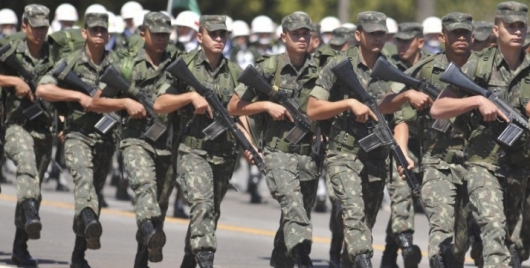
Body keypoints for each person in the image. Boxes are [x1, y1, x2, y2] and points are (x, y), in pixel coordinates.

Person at [431, 2, 530, 267]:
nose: (517, 31)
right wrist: (476, 101)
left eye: (522, 26)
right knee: (493, 227)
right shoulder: (478, 65)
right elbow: (438, 107)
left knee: (511, 238)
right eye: (511, 26)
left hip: (519, 168)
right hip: (482, 164)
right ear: (497, 30)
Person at [306, 10, 405, 267]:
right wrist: (348, 103)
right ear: (358, 34)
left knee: (365, 225)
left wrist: (405, 98)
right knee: (353, 213)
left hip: (375, 158)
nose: (377, 38)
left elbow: (399, 115)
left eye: (381, 33)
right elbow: (313, 108)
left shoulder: (388, 69)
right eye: (372, 33)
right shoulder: (339, 65)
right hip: (343, 155)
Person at [382, 12, 476, 267]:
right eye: (454, 33)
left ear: (472, 35)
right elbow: (389, 107)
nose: (460, 37)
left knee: (460, 242)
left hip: (476, 165)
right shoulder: (425, 71)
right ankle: (400, 247)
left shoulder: (484, 68)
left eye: (465, 32)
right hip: (436, 162)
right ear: (442, 37)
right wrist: (407, 95)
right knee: (441, 236)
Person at [228, 12, 319, 268]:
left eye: (305, 33)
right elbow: (234, 106)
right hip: (278, 154)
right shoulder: (268, 68)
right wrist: (267, 105)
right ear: (283, 36)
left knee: (296, 213)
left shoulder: (319, 70)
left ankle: (281, 261)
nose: (301, 38)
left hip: (309, 155)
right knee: (292, 204)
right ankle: (303, 255)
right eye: (295, 34)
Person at [154, 15, 242, 268]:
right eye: (213, 34)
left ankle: (189, 261)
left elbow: (239, 113)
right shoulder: (185, 65)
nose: (218, 39)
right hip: (192, 150)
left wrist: (249, 144)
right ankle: (206, 259)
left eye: (222, 34)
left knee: (210, 213)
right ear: (199, 36)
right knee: (201, 205)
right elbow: (160, 104)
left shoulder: (234, 71)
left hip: (224, 154)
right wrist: (189, 96)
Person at [91, 11, 176, 267]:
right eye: (156, 34)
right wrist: (126, 102)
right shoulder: (127, 66)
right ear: (142, 34)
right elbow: (96, 102)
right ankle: (150, 234)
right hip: (135, 139)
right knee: (144, 187)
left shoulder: (177, 65)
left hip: (166, 143)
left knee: (159, 202)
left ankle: (143, 254)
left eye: (165, 34)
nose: (161, 39)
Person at [36, 12, 118, 268]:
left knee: (94, 191)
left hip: (105, 138)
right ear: (84, 33)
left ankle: (78, 253)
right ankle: (89, 220)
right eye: (94, 30)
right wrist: (78, 96)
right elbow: (43, 88)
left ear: (108, 35)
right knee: (83, 180)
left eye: (103, 31)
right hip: (76, 134)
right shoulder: (70, 62)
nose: (99, 35)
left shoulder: (117, 65)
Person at [0, 4, 55, 267]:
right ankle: (29, 207)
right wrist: (14, 82)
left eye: (44, 27)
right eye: (35, 27)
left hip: (44, 128)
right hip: (15, 124)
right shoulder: (10, 47)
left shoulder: (54, 51)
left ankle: (20, 248)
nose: (40, 32)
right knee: (26, 165)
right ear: (25, 26)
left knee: (34, 187)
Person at [380, 21, 429, 268]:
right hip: (399, 140)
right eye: (398, 40)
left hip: (431, 144)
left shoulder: (434, 66)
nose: (401, 45)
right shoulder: (388, 67)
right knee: (401, 192)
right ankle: (406, 244)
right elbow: (385, 103)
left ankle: (389, 253)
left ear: (420, 41)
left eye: (406, 41)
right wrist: (407, 95)